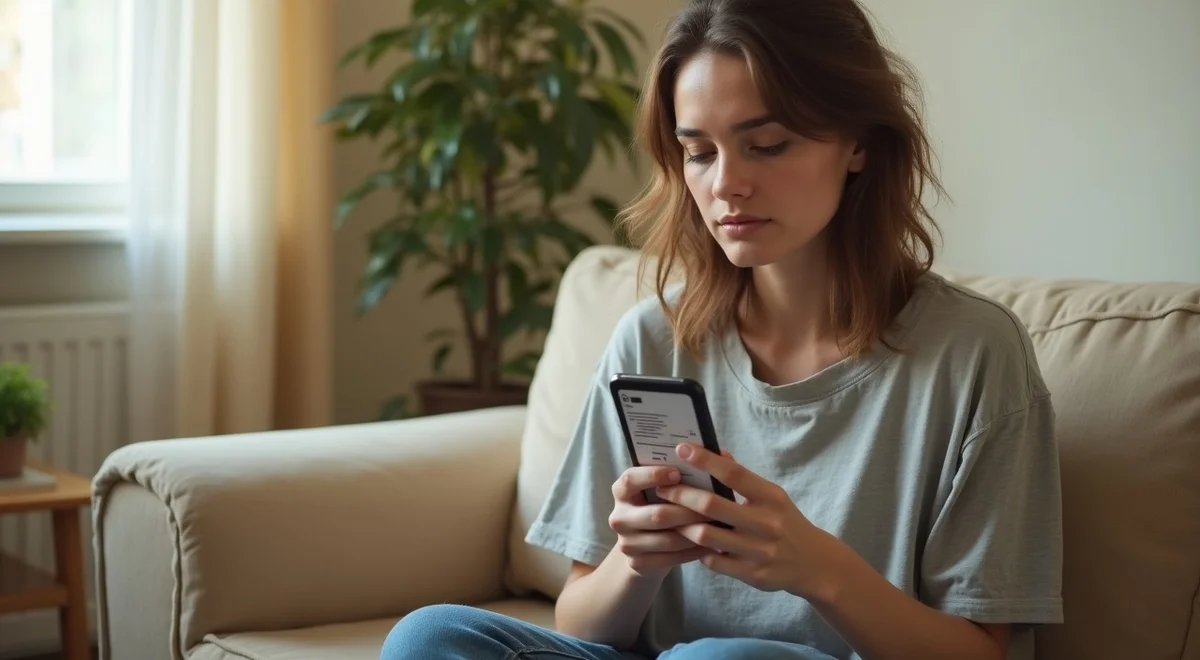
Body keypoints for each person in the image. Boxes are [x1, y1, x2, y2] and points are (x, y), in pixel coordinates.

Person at [381, 0, 1063, 658]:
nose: (726, 184)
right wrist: (637, 562)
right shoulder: (653, 337)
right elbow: (579, 621)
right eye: (699, 153)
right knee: (432, 637)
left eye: (766, 145)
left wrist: (819, 569)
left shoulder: (972, 354)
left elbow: (979, 654)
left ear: (858, 142)